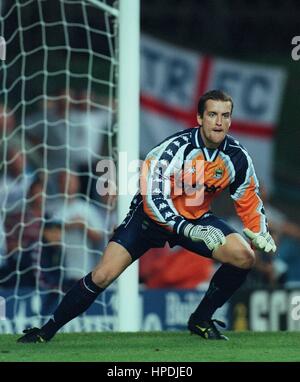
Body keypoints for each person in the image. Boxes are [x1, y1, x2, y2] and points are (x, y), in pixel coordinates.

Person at [17, 89, 276, 343]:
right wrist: (187, 229)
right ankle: (47, 330)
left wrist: (259, 229)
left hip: (196, 218)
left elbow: (248, 196)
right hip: (149, 218)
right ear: (199, 118)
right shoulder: (171, 150)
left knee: (244, 257)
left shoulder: (237, 156)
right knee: (103, 274)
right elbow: (154, 201)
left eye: (225, 115)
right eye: (212, 115)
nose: (219, 122)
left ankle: (201, 319)